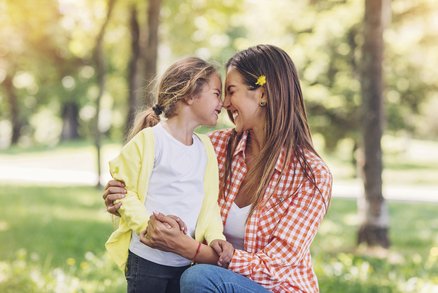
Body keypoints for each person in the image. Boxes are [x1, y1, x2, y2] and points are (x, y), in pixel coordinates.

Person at [103, 44, 333, 293]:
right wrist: (123, 195)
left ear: (263, 94)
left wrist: (190, 249)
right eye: (220, 93)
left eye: (231, 91)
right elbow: (162, 180)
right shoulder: (214, 148)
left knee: (197, 278)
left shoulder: (311, 174)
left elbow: (273, 269)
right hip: (215, 281)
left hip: (276, 288)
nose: (224, 103)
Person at [105, 57, 234, 293]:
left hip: (183, 264)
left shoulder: (205, 149)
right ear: (190, 94)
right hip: (146, 260)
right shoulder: (151, 140)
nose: (223, 102)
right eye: (216, 93)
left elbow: (209, 204)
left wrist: (216, 236)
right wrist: (148, 227)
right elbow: (124, 193)